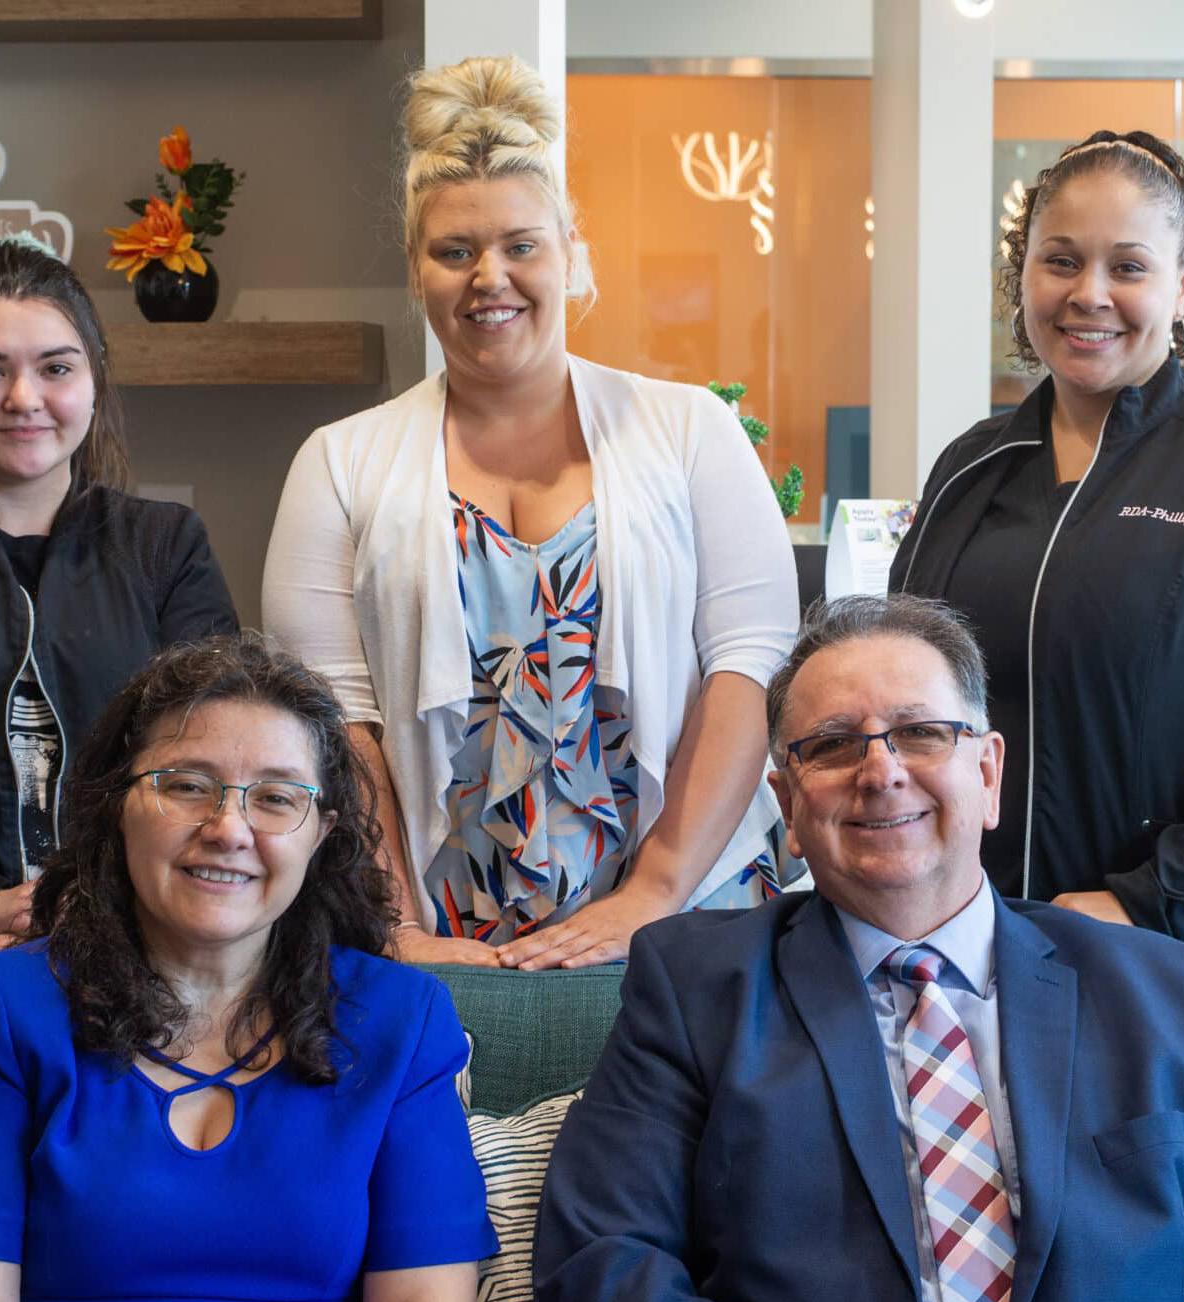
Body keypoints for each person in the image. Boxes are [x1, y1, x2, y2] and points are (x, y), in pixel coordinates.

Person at [535, 594, 1184, 1302]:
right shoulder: (690, 988)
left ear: (988, 773)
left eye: (920, 732)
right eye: (832, 745)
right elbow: (603, 1265)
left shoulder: (1175, 994)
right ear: (788, 805)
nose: (881, 771)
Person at [263, 55, 799, 971]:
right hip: (440, 933)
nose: (490, 277)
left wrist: (652, 894)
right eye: (454, 251)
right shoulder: (339, 463)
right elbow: (334, 723)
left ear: (569, 253)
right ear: (416, 270)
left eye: (521, 245)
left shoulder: (692, 430)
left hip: (694, 913)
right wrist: (400, 931)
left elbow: (749, 670)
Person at [0, 635, 497, 1302]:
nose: (229, 829)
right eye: (187, 786)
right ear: (119, 805)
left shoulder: (402, 1020)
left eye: (276, 798)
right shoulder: (3, 1008)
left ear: (321, 833)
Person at [889, 129, 1184, 942]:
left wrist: (1150, 899)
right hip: (957, 943)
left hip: (1151, 954)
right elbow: (899, 691)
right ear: (1022, 273)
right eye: (1061, 260)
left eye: (1128, 267)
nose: (1089, 294)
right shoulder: (969, 467)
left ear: (1181, 286)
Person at [0, 238, 237, 958]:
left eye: (56, 368)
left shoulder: (167, 545)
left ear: (94, 381)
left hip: (140, 942)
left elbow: (215, 755)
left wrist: (94, 907)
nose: (24, 398)